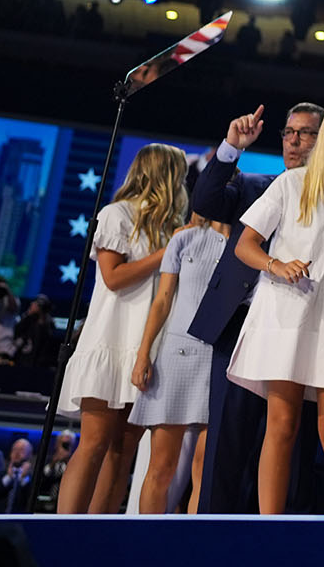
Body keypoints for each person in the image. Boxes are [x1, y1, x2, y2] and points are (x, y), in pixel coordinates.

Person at [227, 98, 324, 512]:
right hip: (288, 316)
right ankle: (270, 530)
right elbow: (245, 246)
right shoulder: (291, 183)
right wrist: (276, 265)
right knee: (281, 426)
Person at [186, 102, 324, 512]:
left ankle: (274, 542)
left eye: (306, 134)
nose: (294, 141)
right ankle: (213, 542)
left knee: (289, 446)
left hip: (296, 332)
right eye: (288, 132)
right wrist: (232, 146)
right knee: (226, 444)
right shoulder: (253, 186)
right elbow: (207, 201)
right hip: (240, 327)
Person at [56, 143, 188, 513]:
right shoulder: (116, 215)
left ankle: (99, 536)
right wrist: (166, 253)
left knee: (123, 450)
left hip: (145, 349)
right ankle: (64, 530)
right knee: (95, 442)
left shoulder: (171, 228)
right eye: (179, 174)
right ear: (162, 174)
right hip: (111, 341)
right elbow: (113, 277)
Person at [128, 213, 225, 513]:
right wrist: (143, 353)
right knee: (161, 466)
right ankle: (145, 548)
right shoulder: (183, 238)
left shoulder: (246, 245)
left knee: (204, 472)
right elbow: (163, 300)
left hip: (219, 360)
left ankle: (192, 548)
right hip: (177, 356)